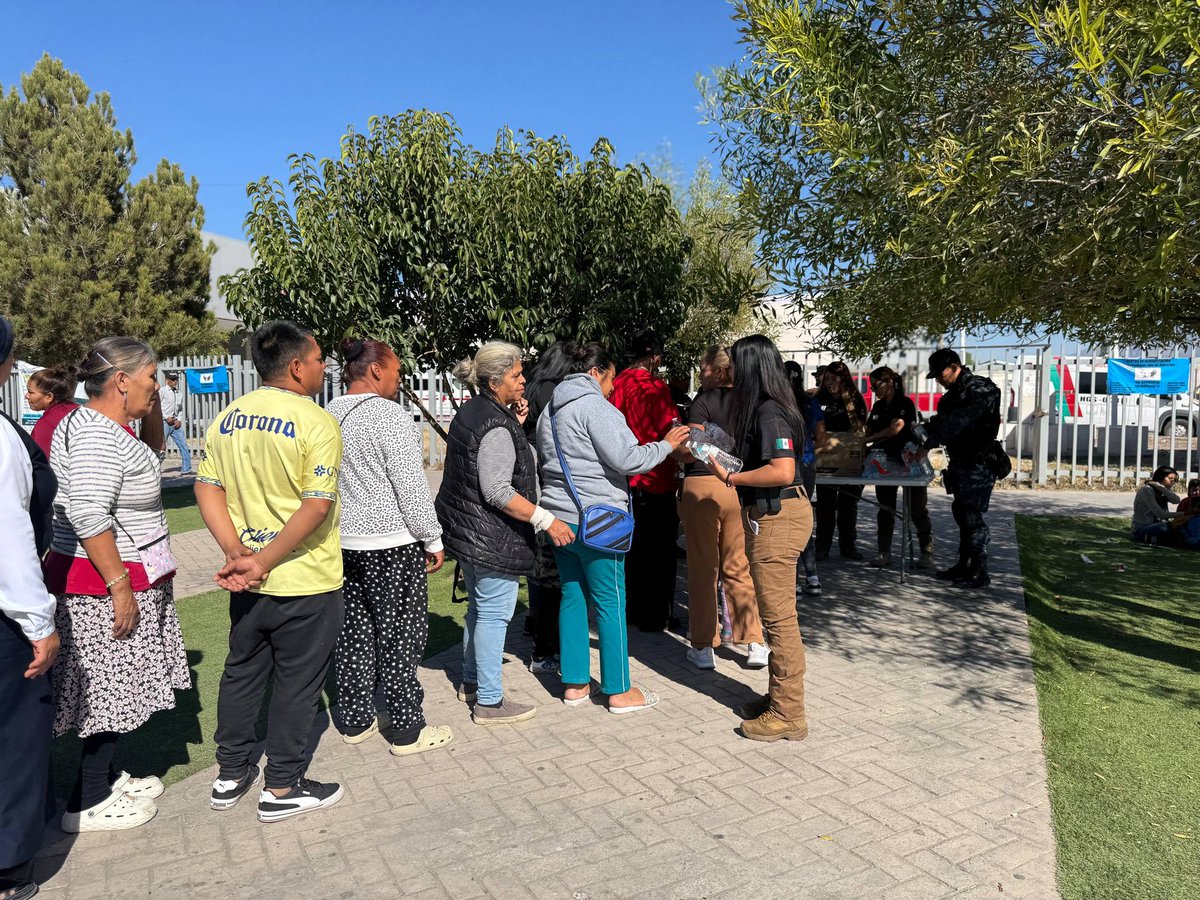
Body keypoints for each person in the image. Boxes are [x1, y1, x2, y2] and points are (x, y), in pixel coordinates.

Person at [195, 321, 346, 823]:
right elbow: (316, 506)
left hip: (249, 579)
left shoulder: (227, 418)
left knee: (241, 672)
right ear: (298, 366)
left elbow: (207, 488)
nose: (325, 367)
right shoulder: (315, 421)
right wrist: (260, 560)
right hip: (303, 577)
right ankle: (282, 786)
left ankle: (230, 773)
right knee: (297, 684)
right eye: (320, 358)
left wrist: (237, 551)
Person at [45, 336, 185, 832]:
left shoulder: (109, 426)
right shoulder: (96, 436)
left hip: (122, 574)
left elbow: (149, 452)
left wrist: (143, 405)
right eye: (151, 378)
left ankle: (102, 778)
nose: (158, 388)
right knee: (108, 693)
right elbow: (86, 511)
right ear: (121, 381)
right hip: (100, 586)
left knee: (119, 688)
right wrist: (119, 586)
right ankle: (87, 800)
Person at [537, 342, 690, 713]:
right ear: (595, 373)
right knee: (610, 600)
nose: (612, 387)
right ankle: (619, 690)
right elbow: (628, 459)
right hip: (599, 518)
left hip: (561, 519)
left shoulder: (548, 412)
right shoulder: (596, 408)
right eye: (610, 379)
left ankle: (574, 684)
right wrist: (666, 446)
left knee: (572, 597)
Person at [435, 341, 574, 726]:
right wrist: (547, 520)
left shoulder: (478, 411)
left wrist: (515, 419)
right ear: (495, 381)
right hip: (491, 535)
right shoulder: (494, 423)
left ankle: (472, 682)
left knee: (480, 610)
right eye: (516, 375)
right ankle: (490, 702)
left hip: (471, 531)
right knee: (495, 614)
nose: (523, 380)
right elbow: (497, 490)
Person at [326, 338, 452, 756]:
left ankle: (357, 718)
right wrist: (432, 538)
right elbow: (411, 489)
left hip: (343, 542)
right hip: (391, 543)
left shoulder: (328, 414)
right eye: (396, 371)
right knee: (402, 635)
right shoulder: (391, 417)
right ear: (377, 370)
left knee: (355, 631)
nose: (399, 379)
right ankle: (406, 727)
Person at [702, 335, 812, 742]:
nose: (729, 373)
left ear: (751, 367)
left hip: (778, 517)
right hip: (773, 514)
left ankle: (789, 714)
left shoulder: (769, 412)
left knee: (780, 621)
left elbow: (782, 471)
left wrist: (730, 477)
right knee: (777, 617)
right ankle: (778, 698)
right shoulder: (770, 407)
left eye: (734, 366)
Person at [0, 317, 60, 900]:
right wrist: (38, 623)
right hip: (6, 613)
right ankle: (11, 864)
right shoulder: (2, 437)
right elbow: (10, 532)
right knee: (17, 733)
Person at [679, 347, 767, 670]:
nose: (700, 372)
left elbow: (695, 446)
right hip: (739, 486)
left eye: (702, 366)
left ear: (716, 371)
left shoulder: (702, 401)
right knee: (738, 566)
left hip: (702, 484)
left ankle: (703, 647)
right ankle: (754, 642)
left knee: (704, 569)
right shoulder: (749, 400)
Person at [608, 330, 683, 632]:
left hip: (623, 480)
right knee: (661, 552)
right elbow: (672, 433)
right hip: (656, 477)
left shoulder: (614, 386)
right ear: (654, 357)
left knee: (631, 551)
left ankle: (630, 612)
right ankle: (656, 615)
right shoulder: (655, 388)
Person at [917, 349, 1003, 587]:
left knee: (971, 515)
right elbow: (943, 421)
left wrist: (928, 441)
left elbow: (957, 423)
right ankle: (963, 565)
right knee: (961, 512)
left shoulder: (979, 389)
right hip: (961, 461)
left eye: (940, 373)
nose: (938, 379)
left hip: (979, 462)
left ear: (954, 366)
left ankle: (979, 572)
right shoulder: (953, 395)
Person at [521, 341, 576, 674]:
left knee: (540, 567)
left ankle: (534, 625)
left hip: (532, 484)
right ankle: (544, 649)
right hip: (548, 487)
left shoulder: (532, 385)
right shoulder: (552, 392)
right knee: (551, 571)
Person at [863, 366, 934, 569]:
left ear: (890, 382)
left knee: (917, 509)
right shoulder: (877, 407)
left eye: (877, 385)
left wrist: (868, 439)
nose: (874, 389)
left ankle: (926, 551)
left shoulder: (904, 403)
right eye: (872, 386)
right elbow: (867, 429)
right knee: (885, 509)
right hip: (884, 464)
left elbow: (895, 428)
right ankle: (884, 552)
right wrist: (858, 439)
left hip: (908, 463)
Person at [814, 361, 867, 561]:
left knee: (848, 506)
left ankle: (848, 546)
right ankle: (822, 546)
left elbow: (859, 428)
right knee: (825, 506)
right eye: (826, 379)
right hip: (825, 461)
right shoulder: (819, 398)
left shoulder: (853, 399)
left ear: (843, 379)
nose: (830, 383)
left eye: (834, 379)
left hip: (849, 460)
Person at [784, 361, 826, 596]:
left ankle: (794, 581)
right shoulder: (811, 402)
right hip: (807, 464)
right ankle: (813, 577)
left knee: (785, 522)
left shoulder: (779, 402)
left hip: (784, 463)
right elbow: (822, 437)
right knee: (804, 519)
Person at [27, 363, 80, 459]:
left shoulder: (46, 424)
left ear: (49, 397)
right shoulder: (81, 411)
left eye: (30, 392)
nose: (26, 396)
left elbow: (41, 463)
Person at [1131, 466, 1182, 544]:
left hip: (1157, 524)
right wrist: (1183, 514)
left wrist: (1160, 487)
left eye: (1175, 480)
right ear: (1160, 477)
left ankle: (1161, 539)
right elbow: (1160, 514)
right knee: (1163, 528)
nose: (1173, 482)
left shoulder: (1163, 490)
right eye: (1170, 479)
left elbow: (1176, 500)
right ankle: (1156, 539)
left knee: (1177, 527)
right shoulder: (1147, 490)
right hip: (1142, 527)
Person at [160, 371, 192, 475]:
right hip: (164, 423)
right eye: (173, 380)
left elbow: (181, 409)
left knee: (184, 446)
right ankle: (154, 469)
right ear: (167, 381)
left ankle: (186, 469)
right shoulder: (162, 391)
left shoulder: (179, 394)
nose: (175, 382)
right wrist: (166, 417)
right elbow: (156, 407)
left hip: (175, 424)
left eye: (176, 380)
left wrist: (179, 420)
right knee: (161, 448)